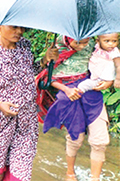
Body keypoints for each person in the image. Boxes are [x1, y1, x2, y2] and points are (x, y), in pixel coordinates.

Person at [0, 23, 58, 181]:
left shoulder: (24, 46)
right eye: (14, 27)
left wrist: (45, 60)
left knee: (21, 173)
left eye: (22, 28)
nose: (19, 32)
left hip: (26, 120)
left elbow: (29, 72)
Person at [39, 36, 112, 181]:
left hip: (91, 92)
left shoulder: (95, 42)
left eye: (86, 42)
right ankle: (70, 173)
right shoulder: (57, 47)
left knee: (100, 141)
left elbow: (108, 60)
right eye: (78, 43)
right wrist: (66, 89)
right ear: (68, 39)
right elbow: (46, 78)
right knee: (75, 139)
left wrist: (108, 80)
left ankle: (95, 178)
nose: (82, 46)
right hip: (69, 96)